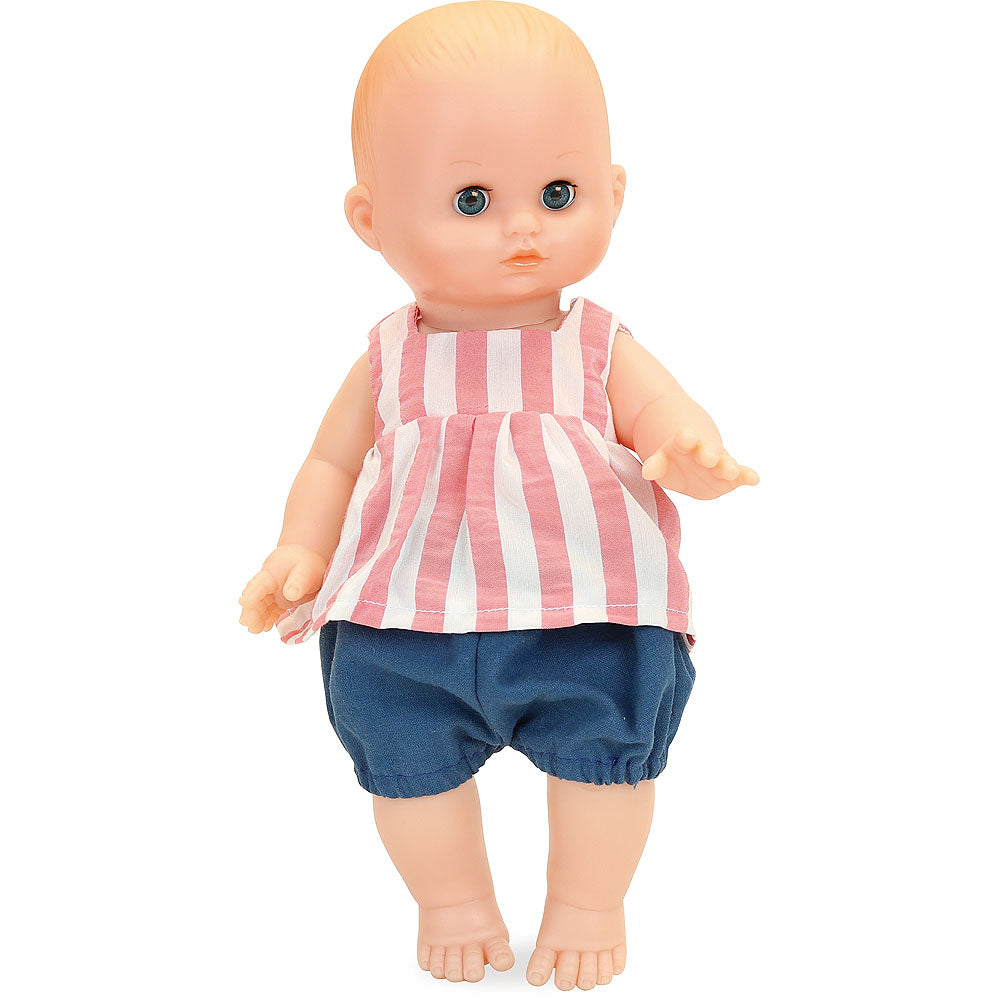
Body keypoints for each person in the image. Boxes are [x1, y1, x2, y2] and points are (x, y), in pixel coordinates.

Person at [239, 2, 757, 989]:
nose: (523, 226)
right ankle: (454, 902)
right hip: (405, 613)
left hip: (589, 607)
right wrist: (300, 546)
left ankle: (588, 903)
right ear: (371, 220)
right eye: (472, 199)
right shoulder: (388, 356)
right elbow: (331, 463)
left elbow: (663, 414)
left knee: (606, 759)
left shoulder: (596, 344)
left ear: (613, 192)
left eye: (558, 193)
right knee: (405, 766)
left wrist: (689, 450)